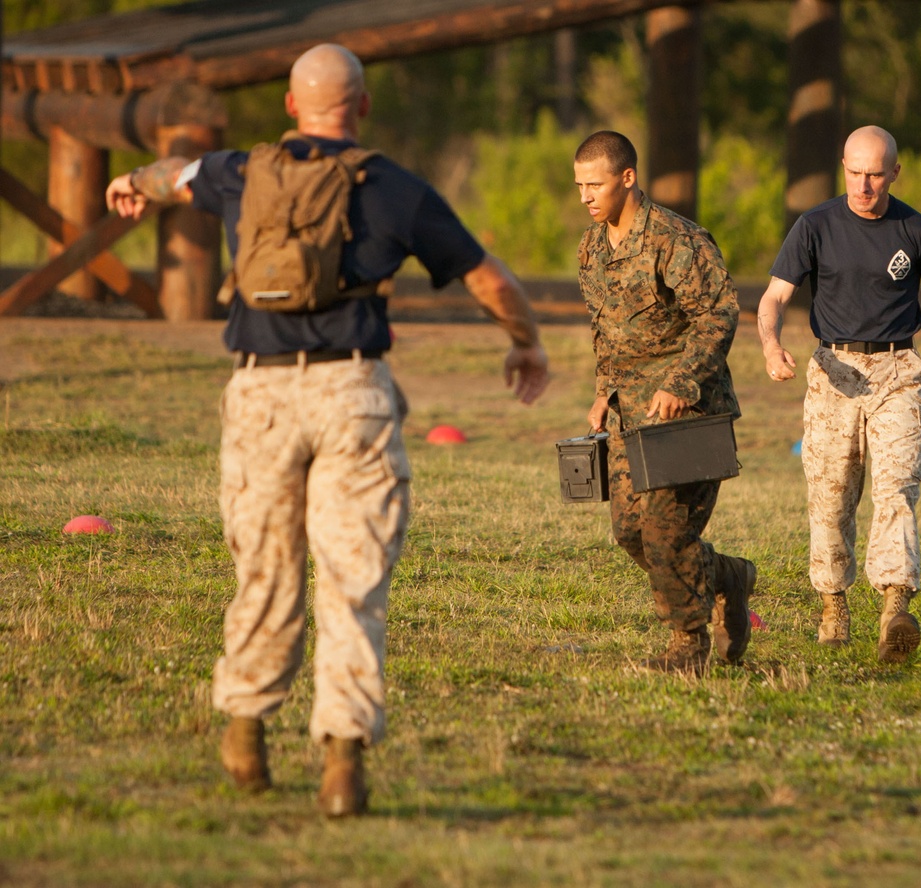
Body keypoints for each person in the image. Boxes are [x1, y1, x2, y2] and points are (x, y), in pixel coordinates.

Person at [106, 43, 549, 817]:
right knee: (353, 580)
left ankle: (245, 732)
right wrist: (525, 340)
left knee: (264, 570)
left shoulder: (240, 172)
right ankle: (341, 762)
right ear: (363, 107)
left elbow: (174, 175)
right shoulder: (392, 187)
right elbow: (489, 278)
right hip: (354, 393)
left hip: (260, 395)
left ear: (289, 107)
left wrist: (131, 185)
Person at [756, 124, 921, 663]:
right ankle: (833, 604)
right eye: (854, 172)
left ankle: (896, 605)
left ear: (895, 172)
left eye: (875, 174)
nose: (864, 185)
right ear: (842, 168)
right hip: (833, 371)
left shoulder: (918, 230)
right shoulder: (815, 225)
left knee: (897, 491)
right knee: (830, 494)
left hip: (899, 370)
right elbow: (774, 298)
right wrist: (771, 345)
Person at [572, 130, 755, 677]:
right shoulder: (591, 246)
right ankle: (727, 577)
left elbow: (719, 313)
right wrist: (603, 391)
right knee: (630, 532)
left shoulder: (677, 239)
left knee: (664, 530)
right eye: (578, 185)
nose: (585, 195)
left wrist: (680, 382)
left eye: (595, 183)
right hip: (631, 418)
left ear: (627, 178)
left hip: (689, 416)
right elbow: (606, 329)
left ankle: (687, 645)